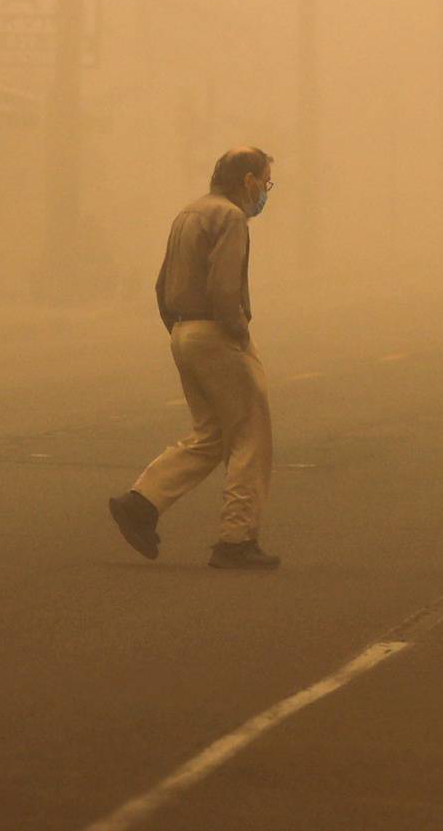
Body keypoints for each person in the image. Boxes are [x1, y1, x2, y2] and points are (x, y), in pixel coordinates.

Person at [107, 147, 280, 571]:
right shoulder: (231, 217)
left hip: (184, 331)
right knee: (250, 436)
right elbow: (224, 289)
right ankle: (236, 539)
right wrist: (236, 332)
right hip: (217, 334)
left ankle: (141, 504)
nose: (266, 191)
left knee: (210, 435)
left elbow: (161, 284)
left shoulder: (189, 213)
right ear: (247, 181)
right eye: (266, 181)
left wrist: (181, 330)